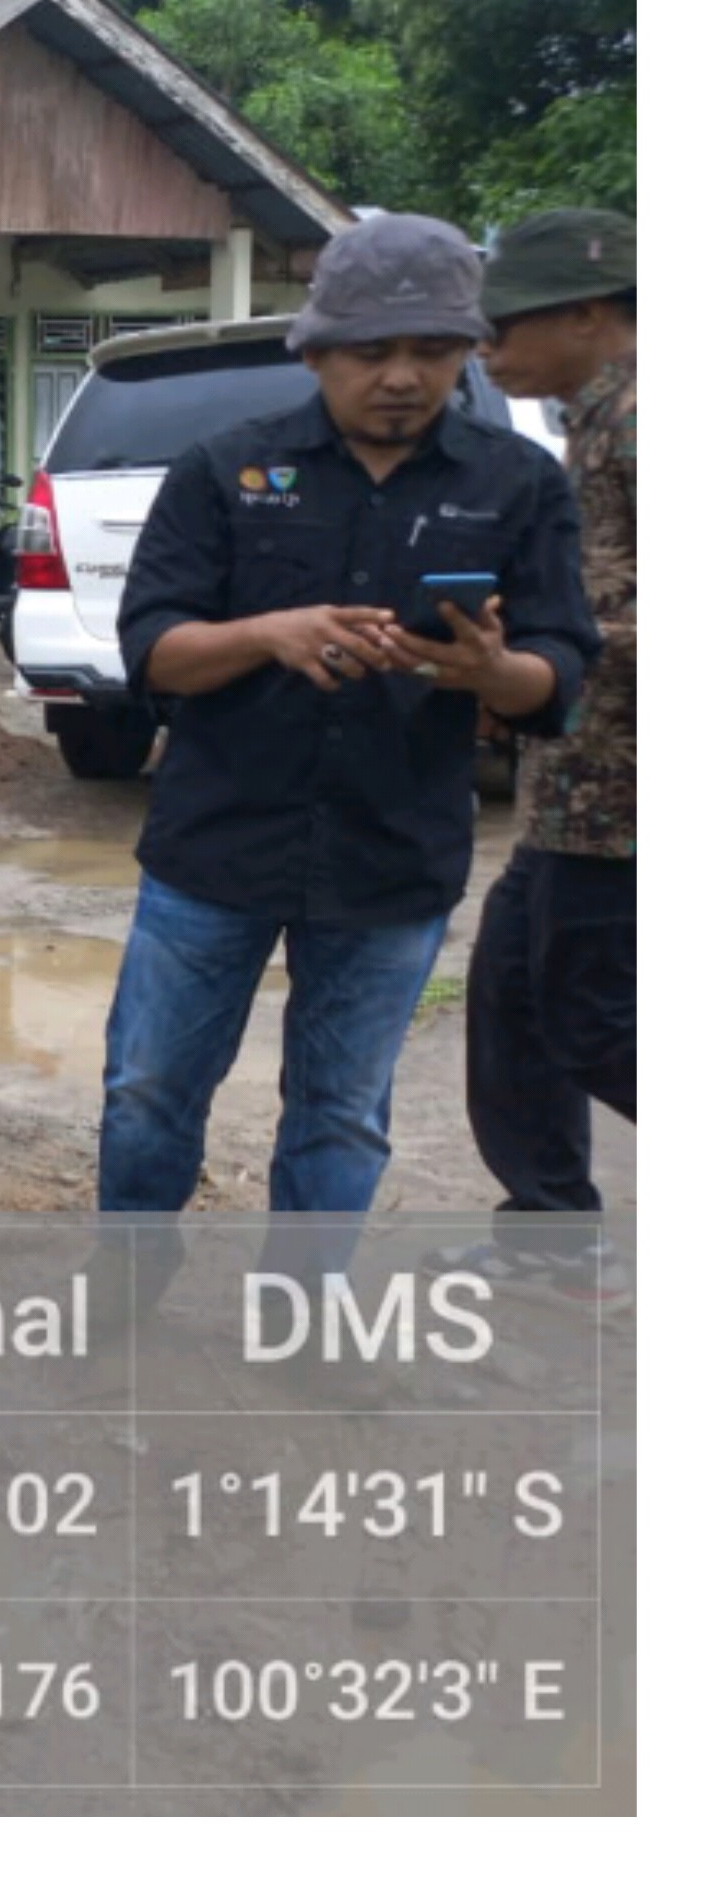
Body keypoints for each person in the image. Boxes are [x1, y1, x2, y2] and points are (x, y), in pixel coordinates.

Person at [96, 213, 596, 1225]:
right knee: (147, 1093)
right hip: (214, 850)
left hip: (392, 857)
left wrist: (491, 671)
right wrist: (267, 634)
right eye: (372, 352)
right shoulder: (224, 470)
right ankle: (126, 1284)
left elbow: (559, 672)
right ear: (315, 352)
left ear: (467, 350)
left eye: (433, 350)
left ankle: (303, 1305)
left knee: (341, 1118)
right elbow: (150, 649)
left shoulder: (517, 483)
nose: (403, 376)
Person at [455, 210, 634, 1290]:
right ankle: (553, 1240)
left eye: (503, 326)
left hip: (629, 801)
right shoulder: (590, 422)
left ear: (587, 313)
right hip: (572, 788)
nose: (486, 353)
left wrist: (544, 646)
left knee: (593, 1023)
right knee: (512, 1005)